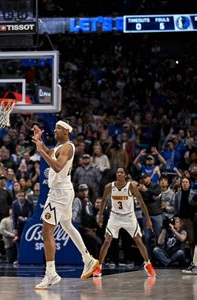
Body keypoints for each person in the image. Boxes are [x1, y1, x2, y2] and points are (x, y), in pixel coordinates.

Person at [32, 121, 99, 289]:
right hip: (62, 191)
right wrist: (41, 143)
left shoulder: (68, 147)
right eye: (54, 128)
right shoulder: (57, 147)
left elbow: (57, 166)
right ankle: (88, 259)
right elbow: (49, 154)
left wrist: (42, 151)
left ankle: (51, 274)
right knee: (67, 225)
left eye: (58, 129)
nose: (54, 130)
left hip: (59, 193)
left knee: (46, 231)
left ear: (67, 131)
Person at [94, 168, 156, 277]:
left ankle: (148, 264)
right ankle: (99, 266)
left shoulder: (131, 186)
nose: (119, 174)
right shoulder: (109, 186)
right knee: (107, 240)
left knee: (138, 240)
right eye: (117, 172)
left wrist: (148, 219)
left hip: (129, 216)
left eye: (122, 172)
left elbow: (141, 202)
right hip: (115, 216)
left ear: (125, 175)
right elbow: (103, 200)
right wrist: (100, 215)